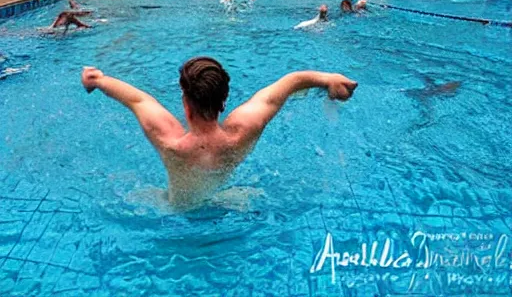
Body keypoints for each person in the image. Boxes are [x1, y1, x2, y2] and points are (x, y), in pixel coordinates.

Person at [81, 57, 357, 209]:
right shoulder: (243, 132)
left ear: (186, 104)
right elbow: (289, 84)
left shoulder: (170, 142)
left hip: (177, 211)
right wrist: (329, 78)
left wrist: (97, 79)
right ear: (224, 101)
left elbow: (138, 100)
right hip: (223, 201)